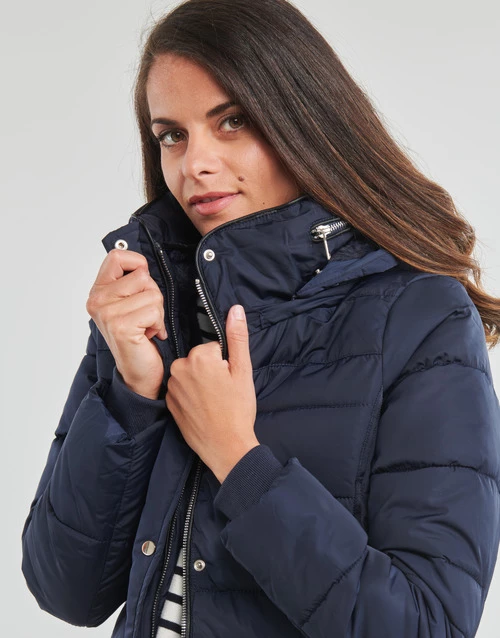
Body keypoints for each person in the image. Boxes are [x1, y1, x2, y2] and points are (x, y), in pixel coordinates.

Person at [21, 0, 500, 637]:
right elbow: (65, 591)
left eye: (233, 121)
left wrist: (238, 459)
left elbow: (427, 626)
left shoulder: (420, 316)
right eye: (172, 135)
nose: (194, 164)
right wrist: (131, 396)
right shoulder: (148, 303)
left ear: (304, 119)